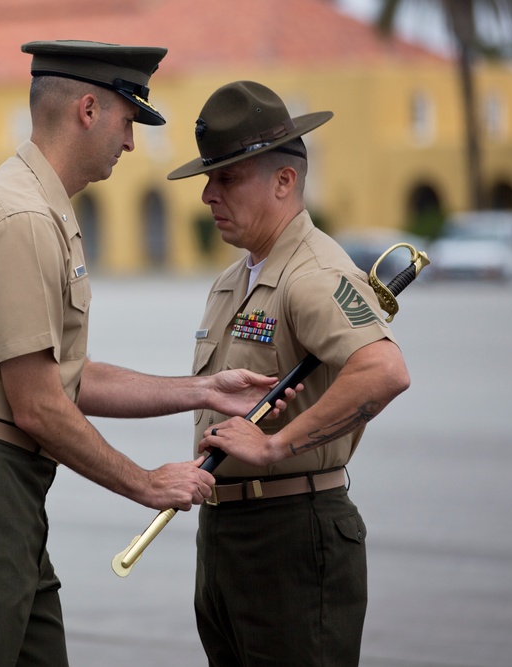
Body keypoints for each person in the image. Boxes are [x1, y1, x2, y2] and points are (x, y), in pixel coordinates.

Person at [0, 44, 292, 667]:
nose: (131, 142)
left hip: (0, 484)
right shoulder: (21, 216)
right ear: (87, 109)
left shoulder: (44, 210)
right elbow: (38, 406)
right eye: (128, 120)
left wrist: (204, 389)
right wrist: (146, 483)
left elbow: (64, 379)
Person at [167, 80, 412, 666]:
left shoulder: (314, 274)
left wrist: (275, 446)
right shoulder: (237, 279)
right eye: (209, 177)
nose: (208, 195)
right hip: (230, 535)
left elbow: (383, 370)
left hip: (291, 531)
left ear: (285, 180)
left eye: (227, 178)